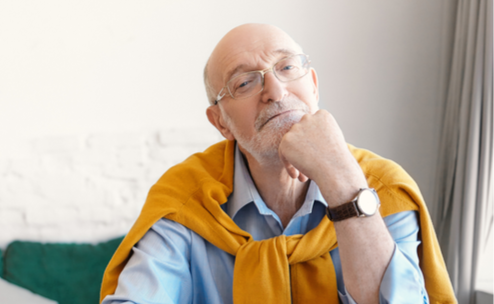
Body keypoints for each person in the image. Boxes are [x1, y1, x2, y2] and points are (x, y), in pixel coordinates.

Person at [100, 24, 456, 304]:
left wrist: (342, 180)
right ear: (221, 122)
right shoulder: (186, 199)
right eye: (244, 82)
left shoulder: (384, 188)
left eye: (287, 67)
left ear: (313, 86)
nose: (275, 90)